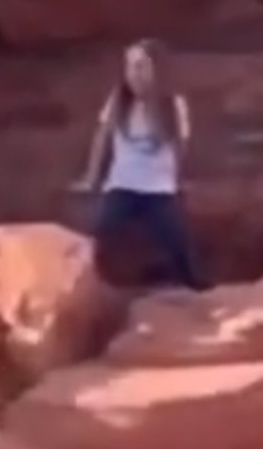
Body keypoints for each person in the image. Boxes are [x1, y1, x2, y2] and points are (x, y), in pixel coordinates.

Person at [70, 38, 205, 290]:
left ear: (156, 69)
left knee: (177, 239)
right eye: (130, 66)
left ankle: (194, 287)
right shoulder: (119, 101)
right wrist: (91, 176)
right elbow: (102, 138)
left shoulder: (172, 105)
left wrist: (178, 179)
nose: (134, 74)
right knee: (99, 230)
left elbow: (181, 146)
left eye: (141, 66)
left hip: (158, 190)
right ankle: (78, 283)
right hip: (123, 186)